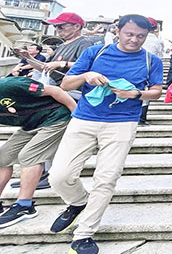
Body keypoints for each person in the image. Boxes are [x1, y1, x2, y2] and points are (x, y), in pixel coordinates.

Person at [49, 14, 163, 254]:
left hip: (122, 122)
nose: (134, 40)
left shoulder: (151, 60)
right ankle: (78, 202)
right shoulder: (94, 52)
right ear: (117, 31)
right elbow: (66, 84)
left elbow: (156, 91)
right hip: (84, 118)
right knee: (59, 175)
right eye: (129, 34)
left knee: (106, 178)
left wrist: (135, 94)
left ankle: (84, 235)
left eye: (140, 36)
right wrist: (86, 76)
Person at [0, 75, 76, 228]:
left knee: (29, 156)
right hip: (31, 125)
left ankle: (24, 206)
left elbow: (54, 90)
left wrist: (76, 114)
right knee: (3, 157)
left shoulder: (9, 85)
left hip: (57, 117)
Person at [40, 13, 95, 88]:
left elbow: (86, 65)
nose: (57, 29)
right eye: (55, 26)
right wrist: (29, 58)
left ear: (76, 27)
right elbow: (46, 66)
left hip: (68, 89)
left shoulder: (84, 43)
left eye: (60, 26)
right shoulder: (61, 46)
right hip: (52, 85)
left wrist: (60, 64)